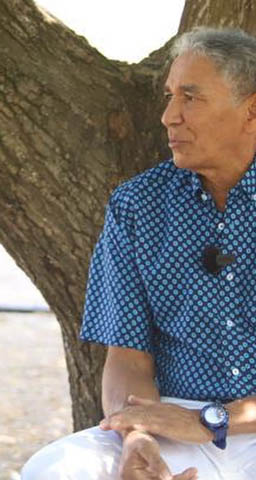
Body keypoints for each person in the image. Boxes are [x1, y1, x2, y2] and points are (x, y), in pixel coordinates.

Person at [22, 27, 256, 480]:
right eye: (170, 97)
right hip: (170, 422)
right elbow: (127, 358)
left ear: (251, 110)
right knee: (55, 470)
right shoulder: (139, 204)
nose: (169, 117)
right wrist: (137, 438)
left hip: (221, 421)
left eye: (191, 98)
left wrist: (210, 421)